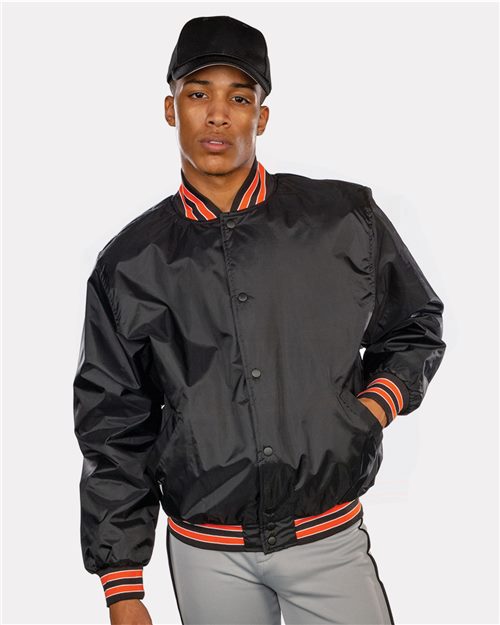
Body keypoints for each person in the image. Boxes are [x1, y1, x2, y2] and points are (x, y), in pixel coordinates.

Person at [73, 14, 447, 625]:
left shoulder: (342, 218)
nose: (218, 115)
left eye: (239, 98)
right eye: (198, 95)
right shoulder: (130, 263)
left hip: (327, 538)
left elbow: (415, 325)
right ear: (171, 110)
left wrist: (369, 409)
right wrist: (123, 585)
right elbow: (113, 422)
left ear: (261, 117)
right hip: (206, 552)